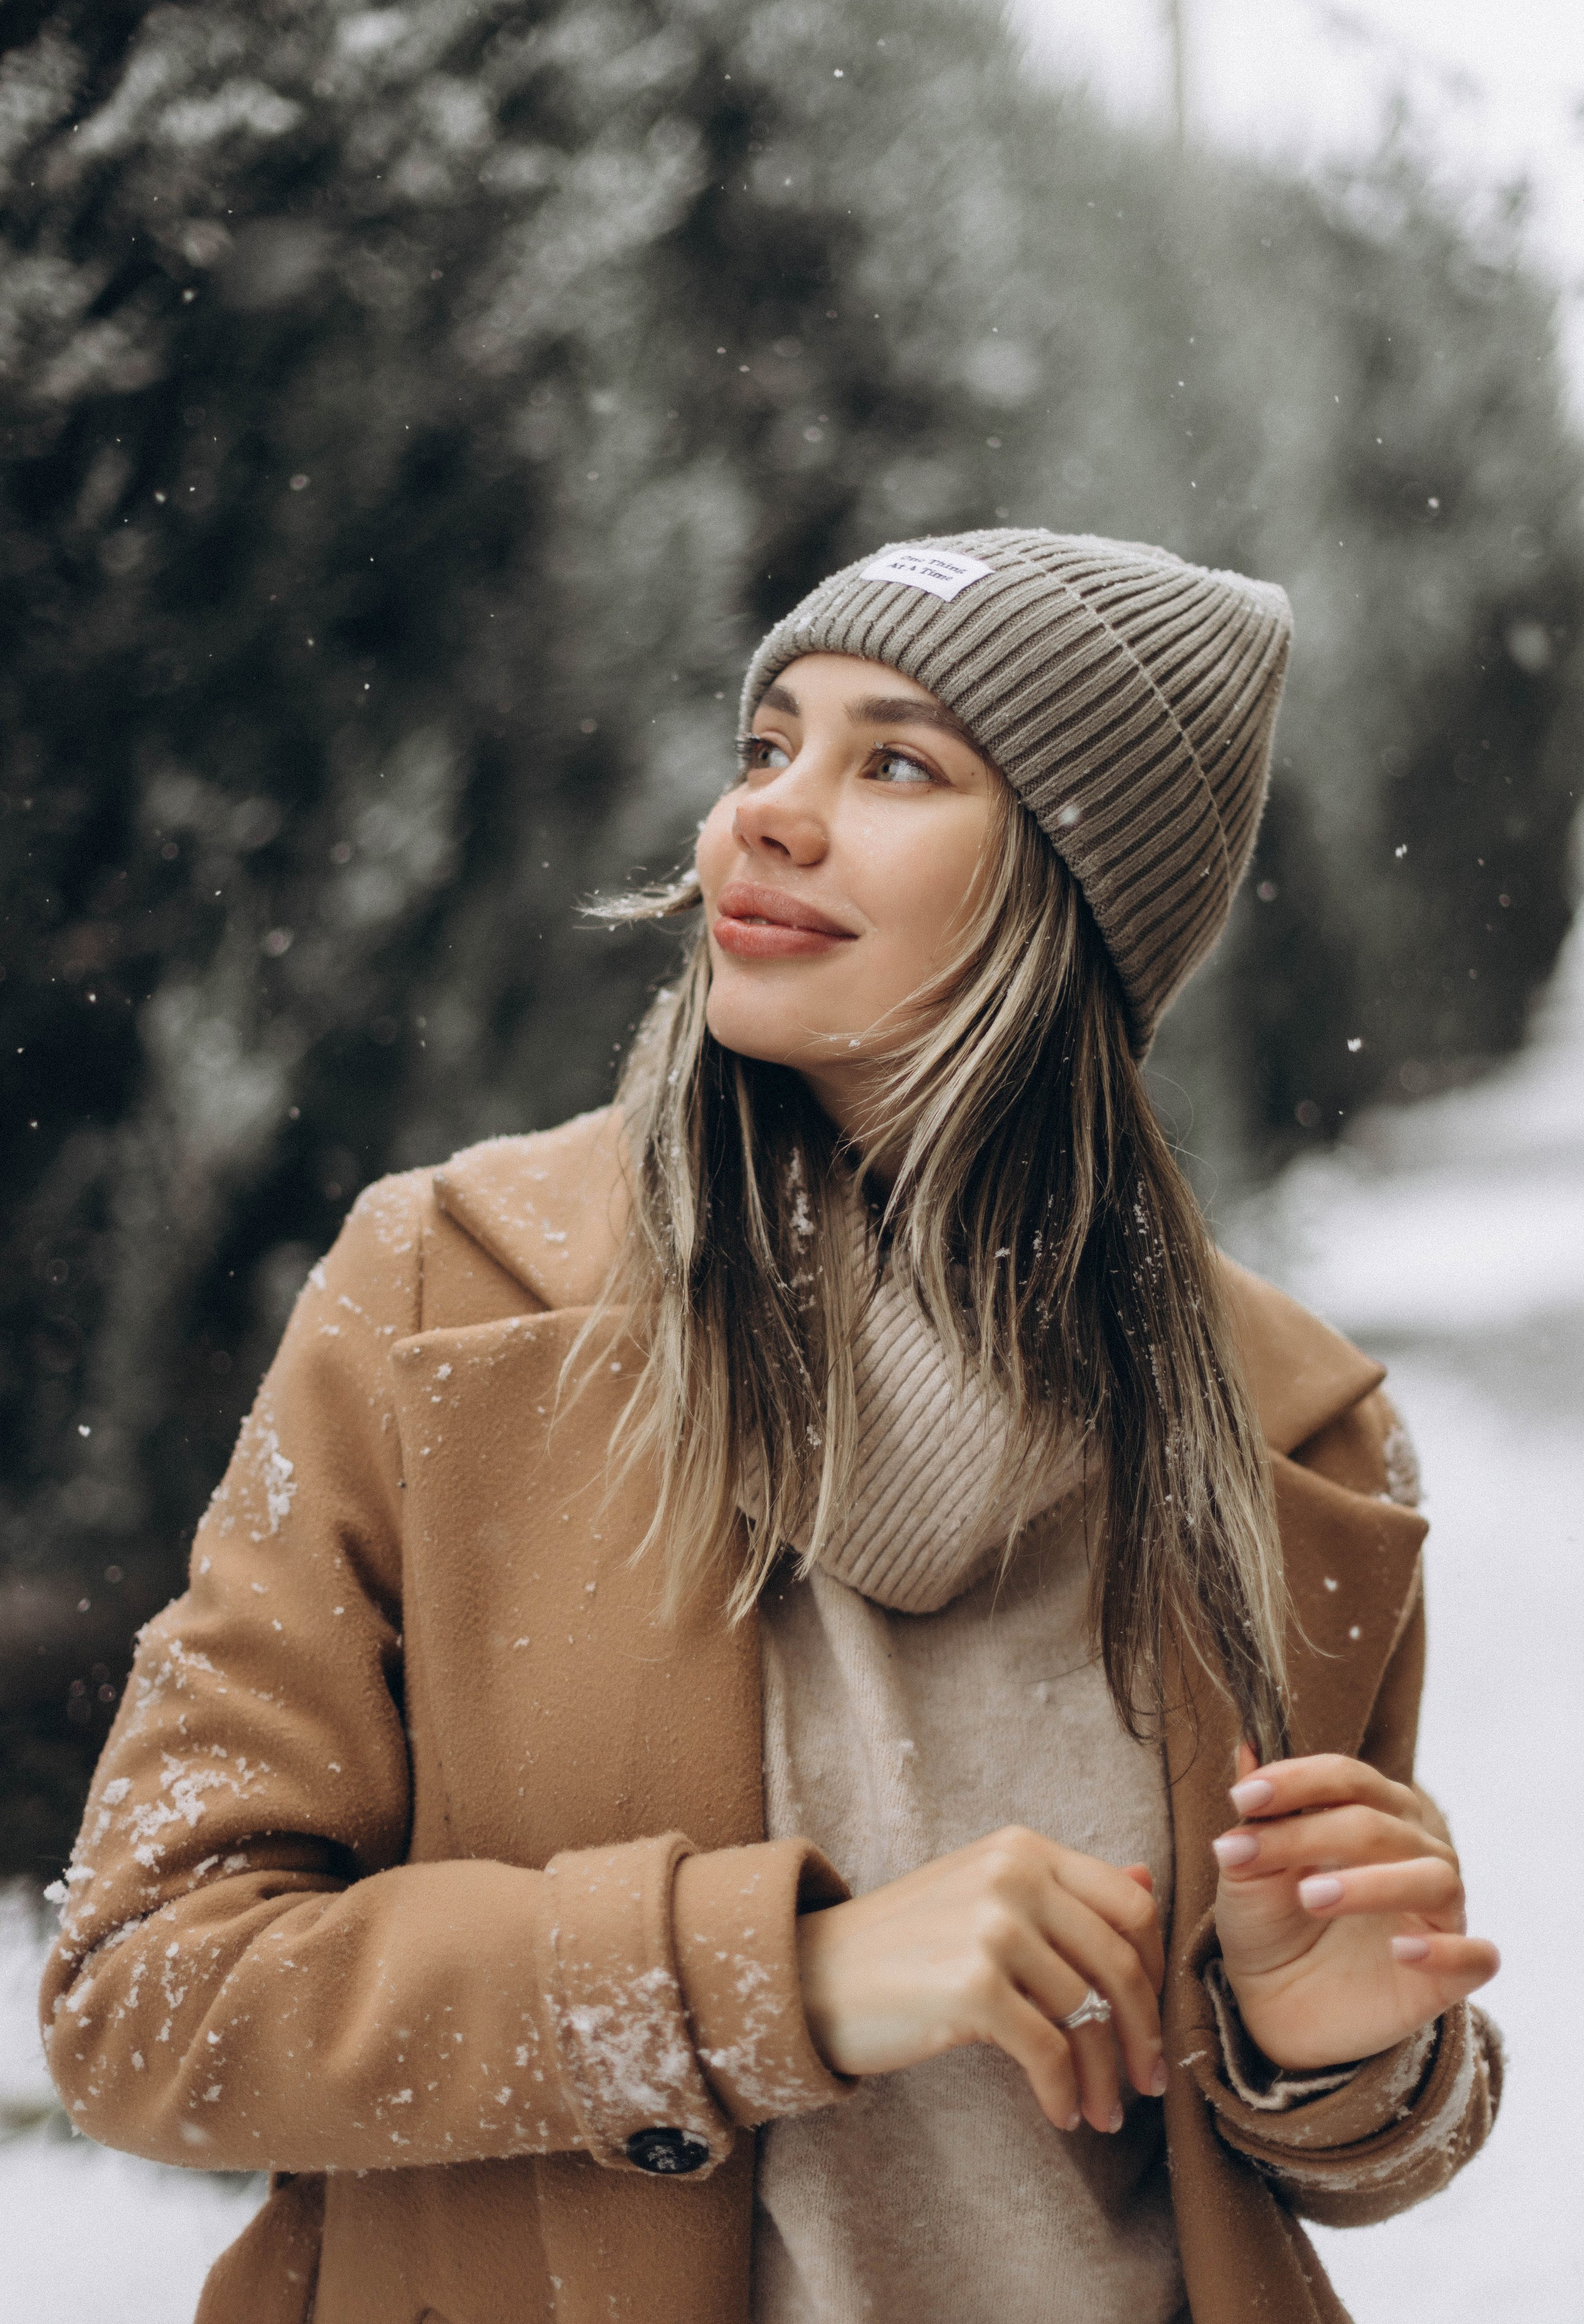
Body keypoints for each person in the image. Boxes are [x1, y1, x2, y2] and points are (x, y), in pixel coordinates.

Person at [41, 530, 1500, 2324]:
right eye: (766, 747)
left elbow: (1349, 2138)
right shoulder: (452, 1299)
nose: (766, 819)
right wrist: (778, 1982)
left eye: (893, 762)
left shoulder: (1293, 1443)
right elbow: (142, 1999)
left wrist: (1330, 2055)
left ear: (1079, 892)